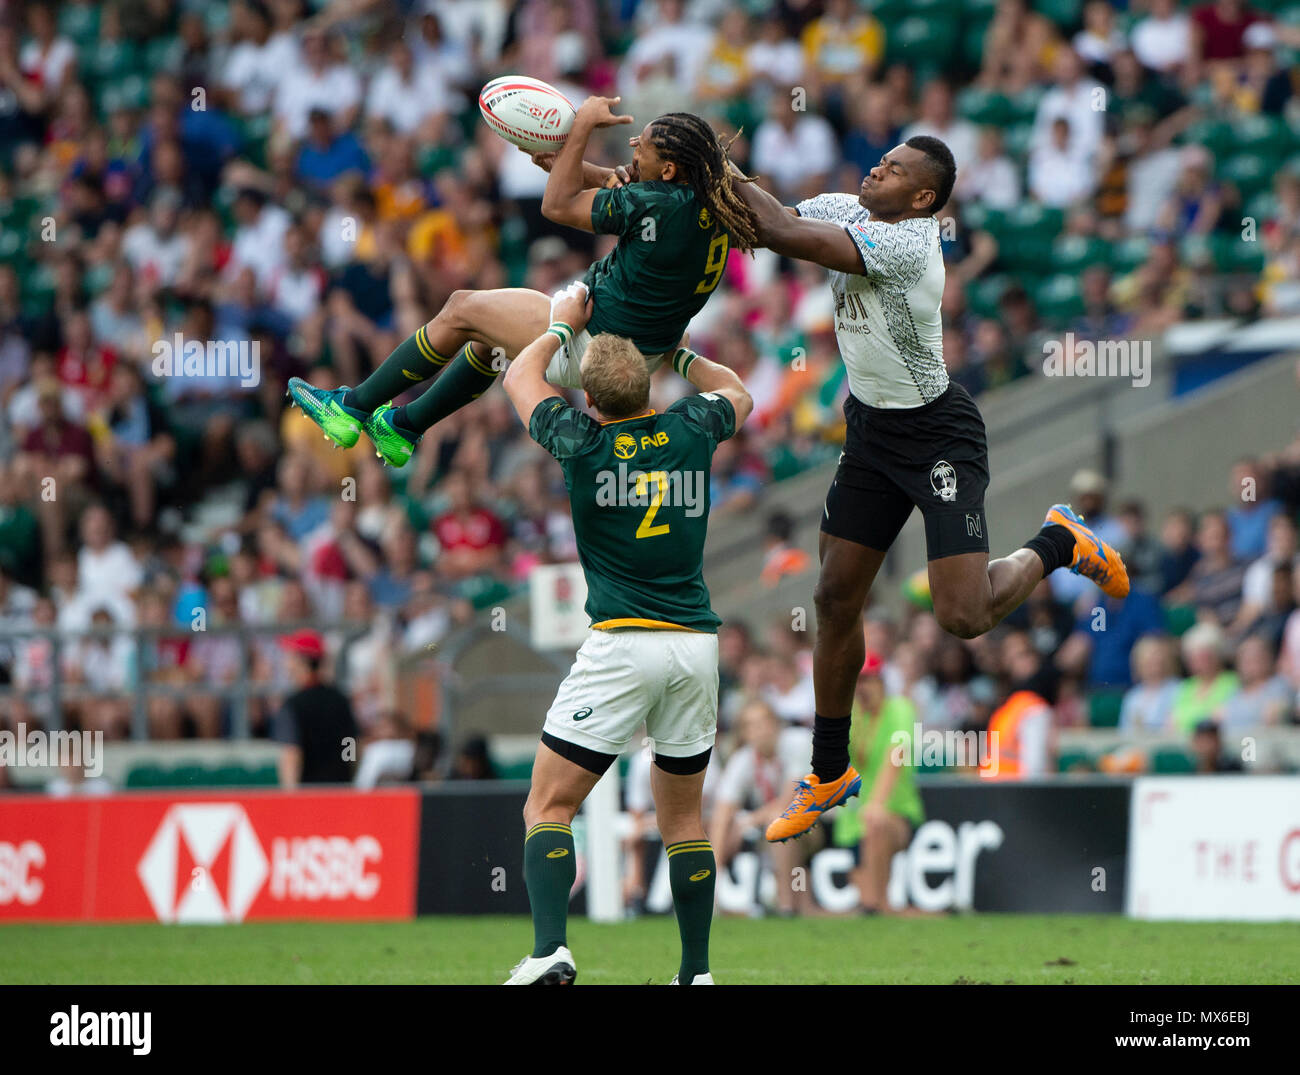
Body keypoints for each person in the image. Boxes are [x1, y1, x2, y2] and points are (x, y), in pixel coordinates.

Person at [734, 137, 1130, 841]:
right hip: (871, 431)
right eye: (880, 158)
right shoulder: (847, 206)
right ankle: (829, 768)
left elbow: (775, 229)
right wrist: (653, 177)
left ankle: (1058, 540)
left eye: (895, 169)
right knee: (833, 596)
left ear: (923, 198)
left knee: (963, 615)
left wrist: (705, 161)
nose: (877, 167)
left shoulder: (912, 244)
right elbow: (763, 209)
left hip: (937, 435)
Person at [498, 287, 753, 985]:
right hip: (695, 647)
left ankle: (551, 948)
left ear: (588, 396)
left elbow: (518, 375)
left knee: (547, 805)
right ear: (650, 385)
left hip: (621, 643)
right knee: (684, 820)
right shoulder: (691, 428)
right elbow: (739, 391)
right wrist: (679, 352)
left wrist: (561, 324)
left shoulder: (580, 440)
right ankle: (696, 973)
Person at [287, 97, 759, 466]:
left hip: (598, 340)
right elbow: (616, 186)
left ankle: (350, 408)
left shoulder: (657, 204)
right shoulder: (704, 201)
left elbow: (555, 207)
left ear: (670, 170)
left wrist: (580, 131)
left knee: (461, 307)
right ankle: (405, 426)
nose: (634, 145)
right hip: (639, 346)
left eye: (646, 146)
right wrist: (565, 163)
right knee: (485, 342)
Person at [832, 652, 923, 914]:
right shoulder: (850, 715)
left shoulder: (900, 708)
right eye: (857, 682)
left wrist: (877, 804)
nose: (862, 688)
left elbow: (897, 754)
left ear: (881, 682)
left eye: (868, 681)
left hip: (896, 814)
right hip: (852, 823)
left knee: (876, 827)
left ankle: (882, 905)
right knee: (867, 898)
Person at [710, 699, 814, 916]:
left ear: (776, 724)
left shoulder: (799, 742)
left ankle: (785, 905)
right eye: (751, 726)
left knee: (779, 818)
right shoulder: (743, 759)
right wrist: (715, 868)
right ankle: (714, 893)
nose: (759, 731)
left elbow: (790, 799)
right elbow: (722, 813)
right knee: (726, 827)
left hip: (819, 823)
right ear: (744, 733)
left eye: (763, 723)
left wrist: (746, 821)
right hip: (774, 830)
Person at [273, 629, 360, 786]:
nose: (286, 664)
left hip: (308, 797)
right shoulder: (340, 699)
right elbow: (351, 744)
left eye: (290, 657)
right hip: (340, 792)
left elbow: (291, 754)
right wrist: (347, 775)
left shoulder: (293, 705)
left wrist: (289, 800)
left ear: (301, 661)